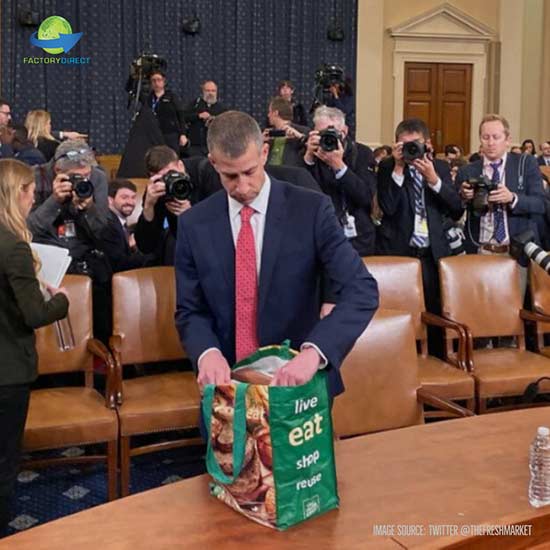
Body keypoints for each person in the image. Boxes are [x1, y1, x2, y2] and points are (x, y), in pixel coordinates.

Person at [175, 110, 378, 399]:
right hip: (225, 388)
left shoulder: (311, 210)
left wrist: (315, 352)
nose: (242, 187)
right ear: (213, 163)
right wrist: (206, 353)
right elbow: (190, 310)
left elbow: (362, 290)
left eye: (249, 172)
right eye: (230, 176)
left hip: (298, 386)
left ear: (265, 154)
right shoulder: (194, 224)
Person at [0, 159, 69, 536]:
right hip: (8, 371)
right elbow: (33, 315)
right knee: (6, 462)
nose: (33, 198)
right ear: (19, 195)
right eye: (30, 192)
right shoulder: (14, 248)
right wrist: (60, 301)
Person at [377, 118, 462, 349]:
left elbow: (456, 209)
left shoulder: (441, 168)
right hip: (400, 251)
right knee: (399, 312)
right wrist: (398, 168)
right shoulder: (387, 167)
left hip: (432, 253)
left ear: (428, 144)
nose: (411, 151)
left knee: (434, 309)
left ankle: (435, 357)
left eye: (416, 145)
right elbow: (388, 208)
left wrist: (433, 180)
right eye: (405, 145)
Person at [28, 140, 111, 342]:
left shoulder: (97, 177)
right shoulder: (34, 177)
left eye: (86, 175)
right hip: (45, 260)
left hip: (85, 257)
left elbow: (101, 231)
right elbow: (26, 231)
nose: (82, 180)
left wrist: (87, 207)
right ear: (57, 170)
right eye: (76, 176)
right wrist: (54, 201)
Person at [456, 114, 544, 291]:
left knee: (512, 312)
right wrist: (464, 197)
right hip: (481, 251)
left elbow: (540, 204)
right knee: (480, 309)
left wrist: (512, 198)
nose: (490, 142)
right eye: (485, 137)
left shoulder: (525, 164)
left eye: (496, 137)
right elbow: (453, 212)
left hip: (514, 253)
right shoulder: (468, 171)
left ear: (507, 139)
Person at [303, 106, 377, 256]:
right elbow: (301, 197)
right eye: (323, 133)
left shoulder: (362, 153)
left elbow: (365, 197)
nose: (329, 139)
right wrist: (308, 159)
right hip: (321, 236)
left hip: (359, 238)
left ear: (345, 131)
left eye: (334, 133)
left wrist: (339, 166)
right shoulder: (306, 153)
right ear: (314, 132)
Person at [102, 179, 153, 272]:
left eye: (133, 197)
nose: (130, 202)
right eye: (124, 197)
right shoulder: (108, 226)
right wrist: (153, 255)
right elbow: (120, 264)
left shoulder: (122, 224)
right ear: (110, 200)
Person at [183, 80, 228, 157]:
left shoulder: (222, 108)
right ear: (203, 91)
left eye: (213, 91)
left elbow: (227, 125)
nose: (210, 93)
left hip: (214, 147)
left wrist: (215, 120)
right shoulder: (194, 104)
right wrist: (198, 116)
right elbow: (183, 117)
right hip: (195, 146)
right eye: (208, 90)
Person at [147, 71, 188, 154]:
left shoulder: (171, 97)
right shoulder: (149, 99)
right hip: (154, 134)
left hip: (171, 135)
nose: (156, 83)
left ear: (164, 81)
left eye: (159, 80)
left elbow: (181, 115)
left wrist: (183, 134)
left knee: (171, 157)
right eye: (153, 80)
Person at [264, 97, 309, 167]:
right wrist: (260, 141)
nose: (268, 115)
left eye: (269, 112)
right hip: (269, 173)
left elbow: (313, 151)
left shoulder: (303, 131)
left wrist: (300, 137)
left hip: (291, 174)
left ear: (276, 113)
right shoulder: (269, 134)